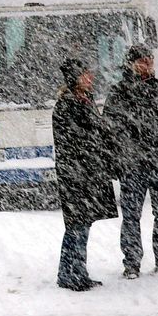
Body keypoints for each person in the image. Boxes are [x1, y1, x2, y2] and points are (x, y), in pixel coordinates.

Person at [103, 45, 158, 279]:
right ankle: (132, 262)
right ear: (131, 63)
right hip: (132, 164)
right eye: (143, 60)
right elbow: (109, 130)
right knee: (131, 216)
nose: (148, 64)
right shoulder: (119, 92)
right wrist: (113, 161)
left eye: (150, 60)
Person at [52, 58, 119, 292]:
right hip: (75, 175)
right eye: (85, 75)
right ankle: (68, 274)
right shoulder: (66, 105)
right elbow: (78, 139)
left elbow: (96, 132)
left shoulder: (85, 100)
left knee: (83, 224)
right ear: (74, 79)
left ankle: (77, 271)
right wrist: (99, 139)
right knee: (76, 225)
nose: (90, 78)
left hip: (88, 173)